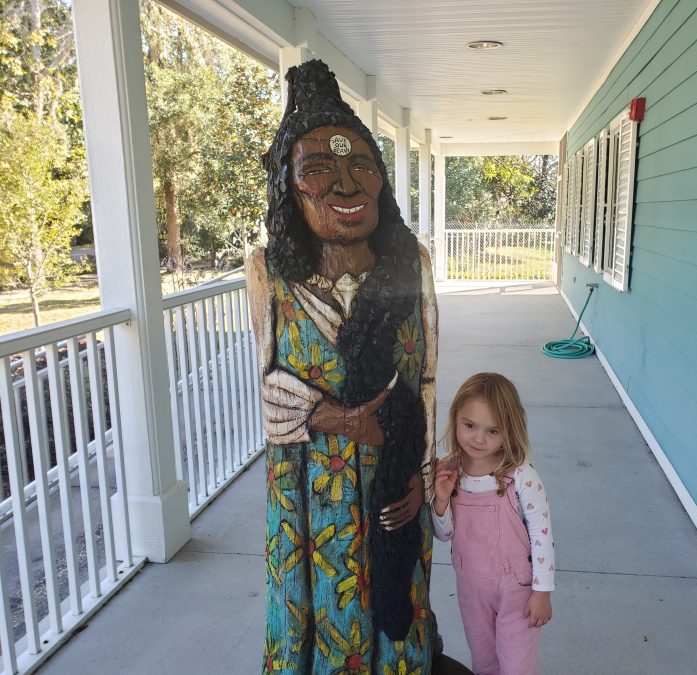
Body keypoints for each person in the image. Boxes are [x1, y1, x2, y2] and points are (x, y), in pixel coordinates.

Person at [246, 59, 439, 674]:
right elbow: (272, 392)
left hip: (394, 484)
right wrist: (330, 417)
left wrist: (421, 475)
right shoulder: (271, 278)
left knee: (397, 598)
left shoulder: (414, 269)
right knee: (320, 604)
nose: (345, 185)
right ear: (288, 188)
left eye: (361, 166)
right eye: (319, 170)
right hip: (310, 496)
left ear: (381, 181)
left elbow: (426, 383)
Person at [432, 372, 554, 675]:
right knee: (484, 661)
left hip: (517, 591)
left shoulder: (521, 475)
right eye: (469, 425)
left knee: (516, 665)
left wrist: (542, 592)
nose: (478, 438)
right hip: (471, 588)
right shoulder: (450, 470)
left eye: (492, 431)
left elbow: (542, 534)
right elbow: (444, 533)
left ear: (509, 431)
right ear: (455, 416)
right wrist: (442, 500)